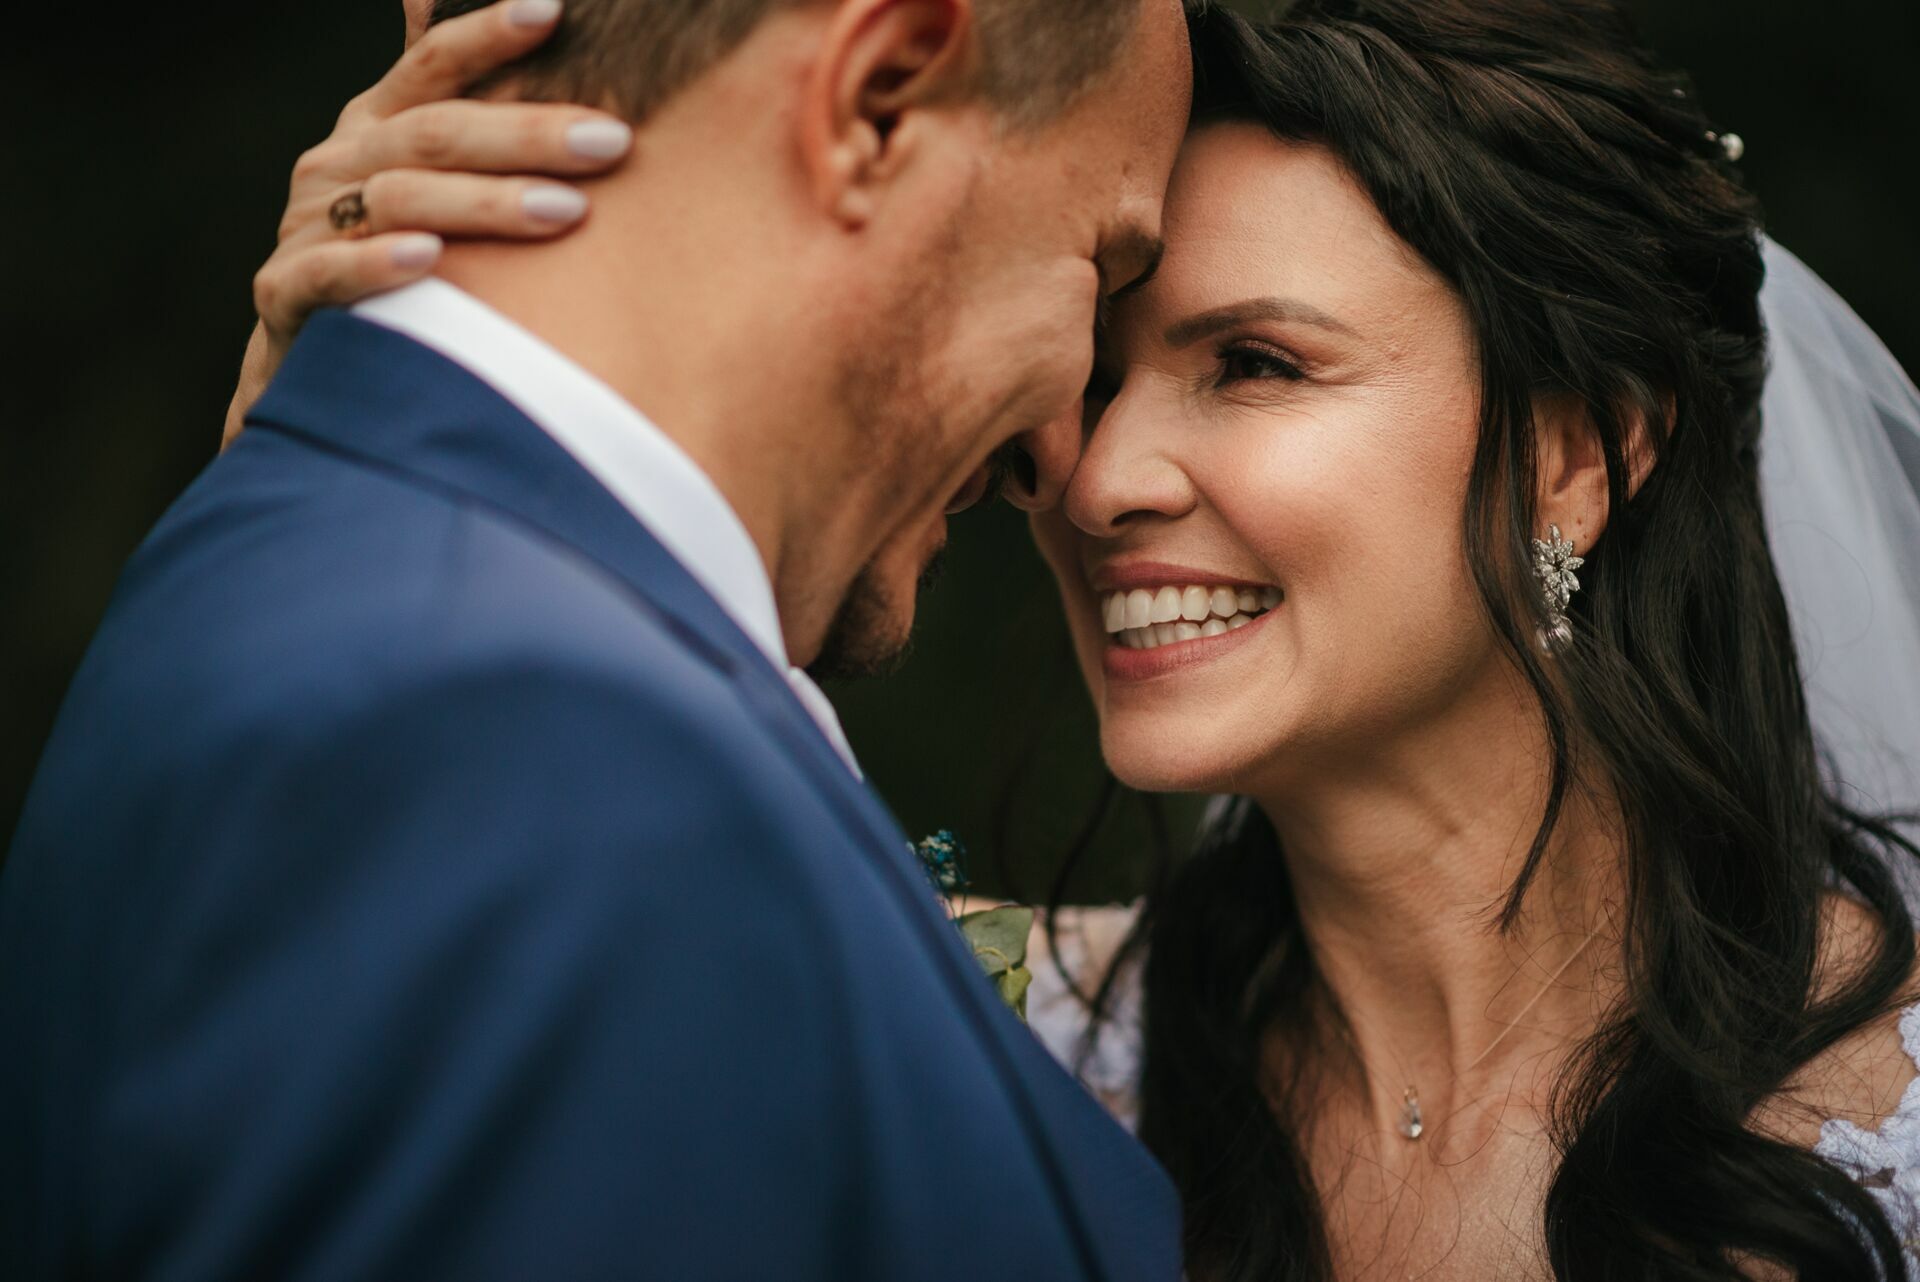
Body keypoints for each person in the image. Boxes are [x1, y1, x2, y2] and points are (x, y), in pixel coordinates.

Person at [147, 0, 1920, 1278]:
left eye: (1256, 362)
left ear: (1578, 445)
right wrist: (342, 424)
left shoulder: (1890, 1106)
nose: (1094, 477)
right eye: (1091, 371)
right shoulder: (978, 1025)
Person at [0, 1, 1193, 1279]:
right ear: (879, 98)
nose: (1064, 457)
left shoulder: (311, 561)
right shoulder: (540, 756)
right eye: (1099, 270)